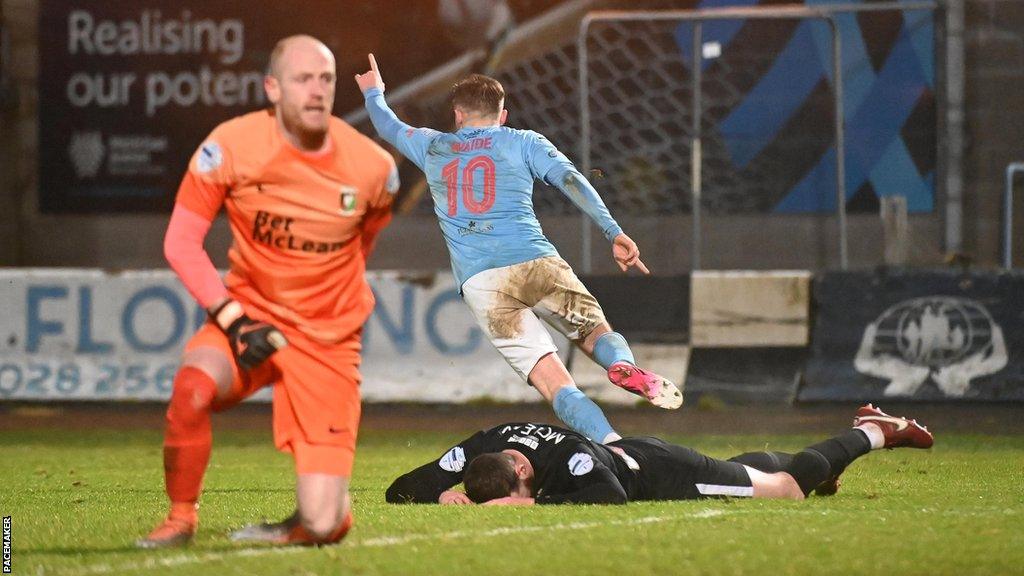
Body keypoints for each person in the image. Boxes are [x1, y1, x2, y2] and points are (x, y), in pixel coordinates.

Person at [138, 35, 398, 548]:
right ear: (273, 88)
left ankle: (307, 521)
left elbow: (360, 249)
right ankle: (180, 518)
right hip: (249, 316)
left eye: (326, 78)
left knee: (325, 525)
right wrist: (234, 318)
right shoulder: (229, 147)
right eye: (303, 79)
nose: (317, 90)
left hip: (327, 340)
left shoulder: (374, 169)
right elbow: (180, 243)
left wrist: (321, 305)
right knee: (192, 387)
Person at [355, 55, 682, 446]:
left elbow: (387, 125)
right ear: (503, 114)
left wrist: (374, 91)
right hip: (535, 261)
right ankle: (622, 366)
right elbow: (572, 180)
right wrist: (614, 232)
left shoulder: (433, 147)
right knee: (596, 333)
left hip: (482, 283)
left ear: (457, 115)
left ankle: (616, 448)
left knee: (554, 383)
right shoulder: (524, 141)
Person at [385, 404, 933, 505]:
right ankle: (826, 459)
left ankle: (874, 432)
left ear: (524, 469)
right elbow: (400, 489)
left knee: (787, 488)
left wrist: (529, 506)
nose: (520, 498)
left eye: (521, 491)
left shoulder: (569, 456)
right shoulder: (480, 449)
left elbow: (610, 494)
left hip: (666, 473)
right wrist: (444, 496)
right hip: (637, 452)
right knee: (744, 471)